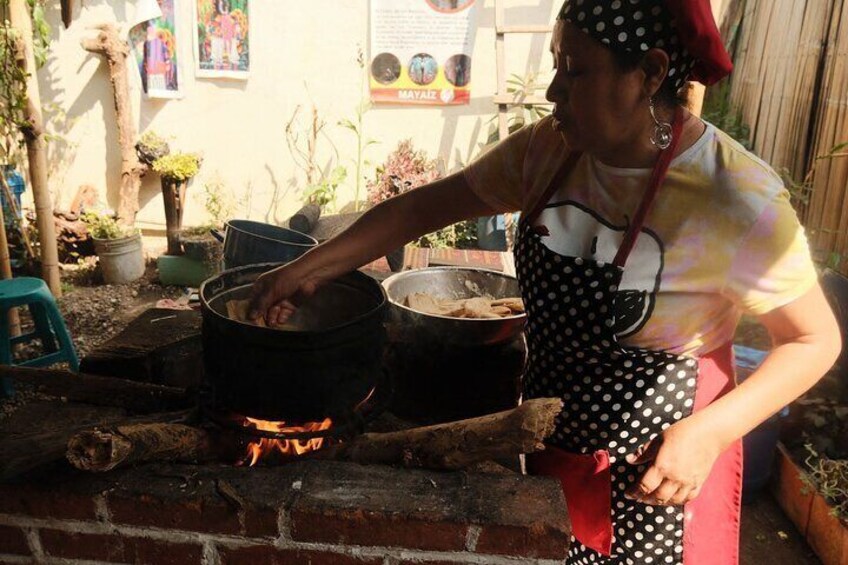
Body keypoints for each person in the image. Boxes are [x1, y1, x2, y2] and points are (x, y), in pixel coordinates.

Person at [249, 0, 841, 563]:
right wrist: (304, 269)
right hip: (554, 445)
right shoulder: (547, 151)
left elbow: (814, 341)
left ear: (650, 71)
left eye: (574, 71)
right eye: (555, 65)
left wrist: (710, 433)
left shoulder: (735, 198)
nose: (553, 92)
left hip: (661, 472)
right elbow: (421, 210)